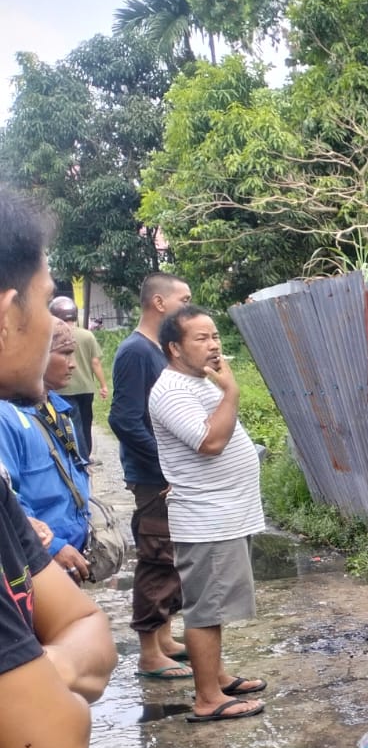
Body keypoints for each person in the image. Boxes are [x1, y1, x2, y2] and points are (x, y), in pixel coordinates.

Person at [0, 187, 119, 748]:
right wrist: (53, 681)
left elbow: (90, 633)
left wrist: (47, 673)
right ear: (7, 310)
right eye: (47, 304)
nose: (58, 329)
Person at [147, 307, 269, 723]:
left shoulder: (199, 381)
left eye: (215, 336)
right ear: (175, 348)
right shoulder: (171, 390)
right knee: (206, 608)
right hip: (207, 517)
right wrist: (232, 393)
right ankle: (207, 698)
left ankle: (216, 676)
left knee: (217, 605)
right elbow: (210, 442)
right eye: (201, 339)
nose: (214, 344)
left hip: (228, 513)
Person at [109, 273, 191, 680]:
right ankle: (148, 652)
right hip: (153, 476)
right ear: (159, 303)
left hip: (167, 474)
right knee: (157, 559)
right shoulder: (135, 352)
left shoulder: (158, 351)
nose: (188, 307)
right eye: (183, 299)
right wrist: (167, 464)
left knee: (172, 557)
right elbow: (124, 420)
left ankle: (165, 639)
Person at [0, 320, 93, 583]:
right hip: (36, 562)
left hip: (69, 555)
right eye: (64, 353)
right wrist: (52, 547)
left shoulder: (58, 407)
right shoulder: (7, 417)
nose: (72, 363)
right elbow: (9, 499)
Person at [49, 297, 107, 465]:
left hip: (64, 389)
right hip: (86, 388)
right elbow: (95, 362)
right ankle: (86, 454)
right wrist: (103, 385)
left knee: (75, 425)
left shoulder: (55, 335)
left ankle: (81, 458)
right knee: (86, 422)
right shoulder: (87, 335)